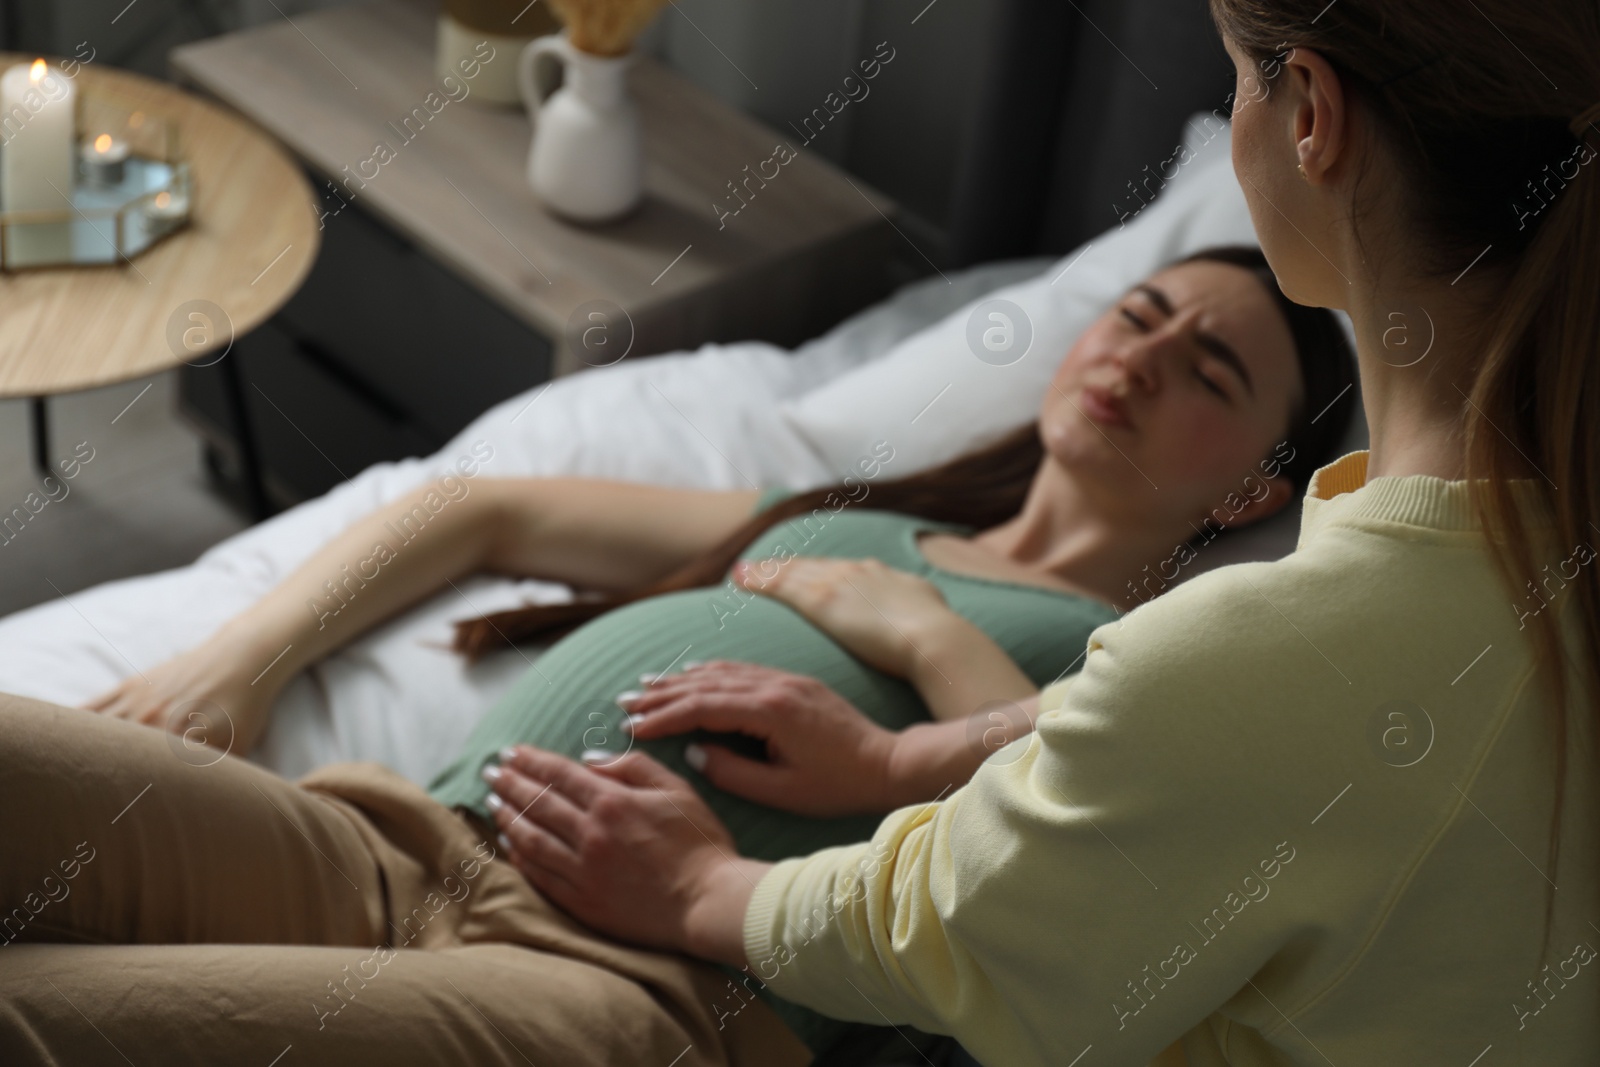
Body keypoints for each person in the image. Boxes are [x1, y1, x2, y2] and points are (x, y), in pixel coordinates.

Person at [470, 2, 1600, 1066]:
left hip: (623, 971)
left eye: (1233, 76)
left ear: (1310, 113)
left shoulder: (1263, 645)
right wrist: (902, 758)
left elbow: (958, 921)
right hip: (430, 833)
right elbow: (1223, 745)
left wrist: (700, 889)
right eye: (1139, 316)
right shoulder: (1478, 588)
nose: (1140, 362)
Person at [0, 245, 1355, 1065]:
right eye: (1142, 311)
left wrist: (926, 635)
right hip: (402, 842)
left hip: (635, 1001)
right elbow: (484, 507)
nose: (1152, 351)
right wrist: (247, 656)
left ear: (1249, 496)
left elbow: (1063, 833)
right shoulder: (855, 525)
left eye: (1214, 370)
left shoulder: (1151, 652)